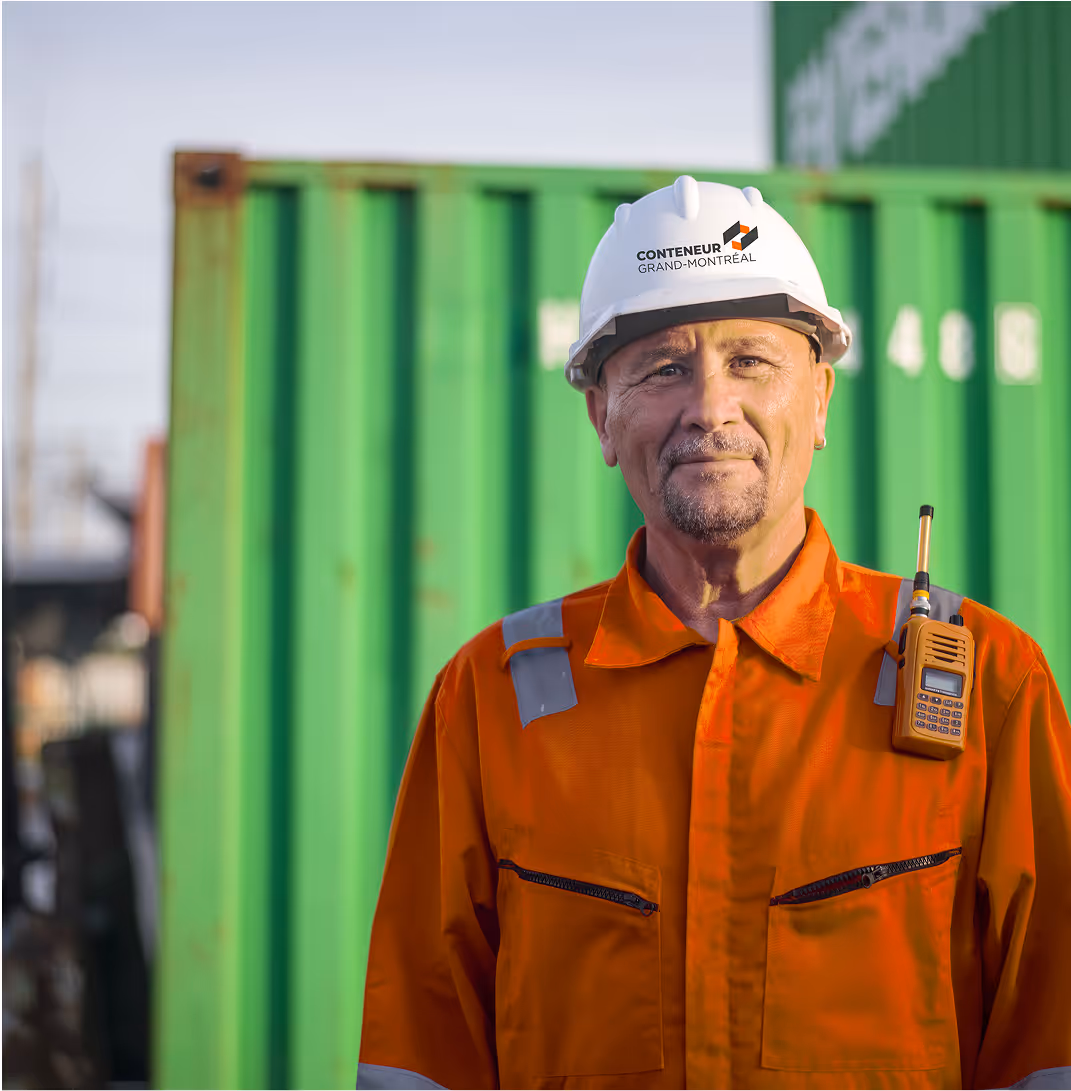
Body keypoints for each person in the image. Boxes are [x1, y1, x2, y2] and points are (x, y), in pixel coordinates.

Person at [356, 178, 1071, 1090]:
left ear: (818, 402)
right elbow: (422, 1055)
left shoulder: (985, 684)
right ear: (600, 416)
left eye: (750, 362)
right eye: (661, 368)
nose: (709, 408)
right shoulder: (492, 697)